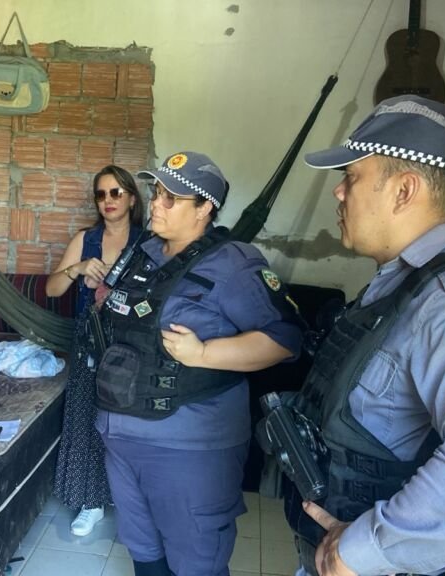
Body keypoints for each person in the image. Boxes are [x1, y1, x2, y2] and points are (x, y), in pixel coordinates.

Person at [286, 95, 445, 576]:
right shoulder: (404, 281)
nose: (338, 193)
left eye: (351, 177)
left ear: (404, 191)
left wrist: (364, 550)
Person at [93, 151, 304, 576]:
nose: (156, 203)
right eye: (156, 192)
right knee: (145, 556)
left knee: (195, 563)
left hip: (188, 446)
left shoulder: (234, 264)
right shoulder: (142, 252)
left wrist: (205, 354)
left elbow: (286, 339)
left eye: (171, 198)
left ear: (205, 208)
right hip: (120, 435)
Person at [47, 165, 145, 536]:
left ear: (132, 198)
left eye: (116, 192)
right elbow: (52, 290)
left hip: (134, 344)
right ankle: (91, 502)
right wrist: (77, 269)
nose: (108, 200)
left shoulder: (148, 241)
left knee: (133, 425)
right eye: (101, 194)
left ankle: (133, 503)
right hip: (90, 341)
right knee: (88, 419)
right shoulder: (85, 240)